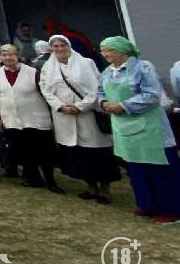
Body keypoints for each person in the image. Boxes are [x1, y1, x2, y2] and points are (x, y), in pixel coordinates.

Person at [95, 36, 180, 224]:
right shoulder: (107, 72)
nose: (105, 54)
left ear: (122, 51)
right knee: (136, 168)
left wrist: (123, 106)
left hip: (150, 128)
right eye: (103, 50)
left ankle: (171, 209)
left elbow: (151, 95)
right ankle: (147, 204)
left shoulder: (143, 67)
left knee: (159, 169)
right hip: (124, 128)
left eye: (109, 50)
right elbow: (100, 91)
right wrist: (104, 103)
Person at [39, 35, 118, 204]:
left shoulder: (86, 63)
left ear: (69, 46)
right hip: (64, 117)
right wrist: (61, 106)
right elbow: (45, 90)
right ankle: (91, 187)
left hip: (87, 115)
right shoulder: (48, 67)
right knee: (78, 155)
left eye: (63, 45)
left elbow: (98, 87)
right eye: (56, 46)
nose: (60, 49)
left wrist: (80, 106)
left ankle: (105, 189)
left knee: (97, 154)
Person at [0, 45, 60, 192]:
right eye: (4, 55)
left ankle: (51, 181)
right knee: (22, 151)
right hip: (12, 119)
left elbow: (44, 92)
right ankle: (32, 178)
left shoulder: (32, 72)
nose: (8, 58)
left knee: (43, 151)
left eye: (11, 55)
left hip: (35, 118)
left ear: (18, 55)